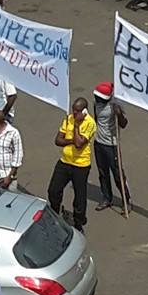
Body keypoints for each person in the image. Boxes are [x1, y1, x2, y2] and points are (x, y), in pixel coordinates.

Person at [50, 98, 97, 231]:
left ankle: (78, 222)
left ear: (84, 111)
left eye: (77, 112)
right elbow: (58, 140)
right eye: (73, 110)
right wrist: (72, 139)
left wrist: (76, 125)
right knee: (53, 190)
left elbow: (79, 144)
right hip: (65, 161)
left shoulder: (90, 123)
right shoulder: (68, 118)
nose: (74, 114)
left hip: (80, 165)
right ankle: (55, 212)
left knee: (79, 197)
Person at [92, 82, 131, 212]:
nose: (97, 100)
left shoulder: (115, 106)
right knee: (103, 173)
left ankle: (127, 200)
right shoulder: (95, 104)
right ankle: (106, 198)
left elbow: (124, 124)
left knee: (118, 175)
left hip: (111, 145)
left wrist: (118, 114)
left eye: (99, 98)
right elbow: (97, 120)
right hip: (99, 143)